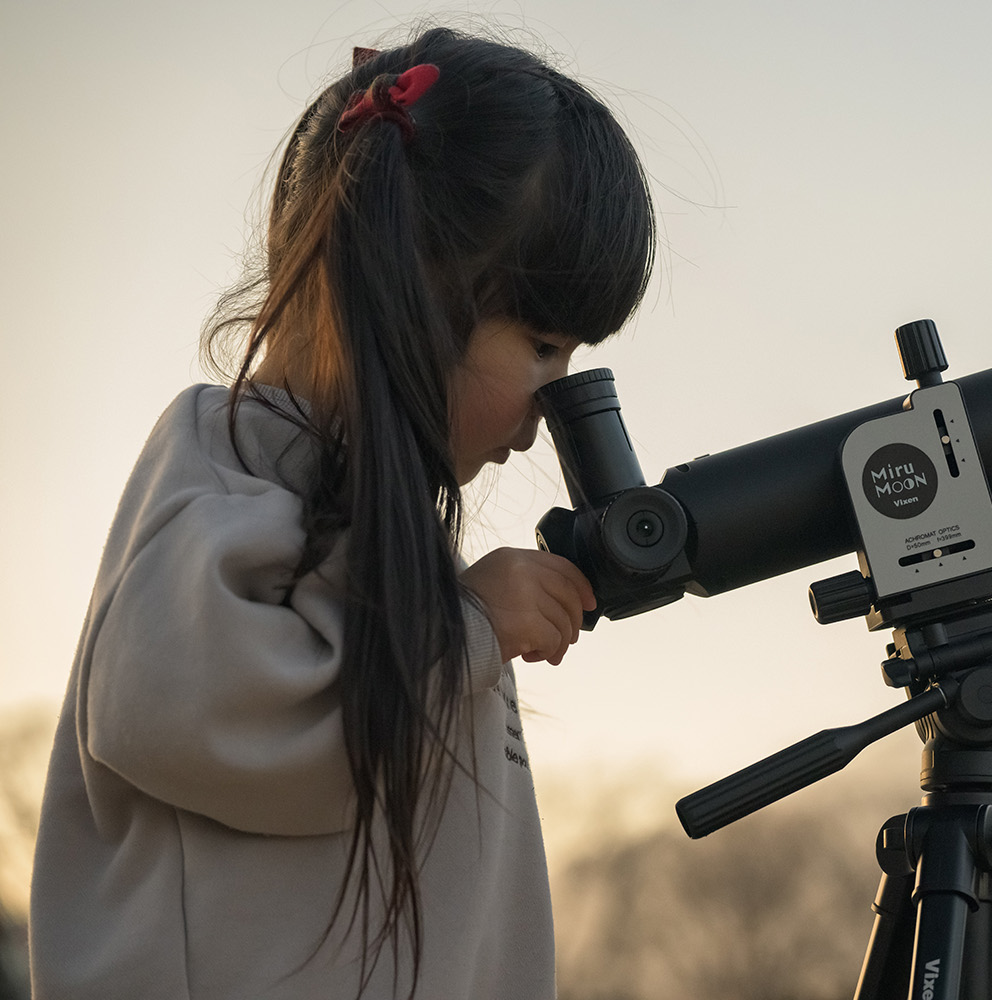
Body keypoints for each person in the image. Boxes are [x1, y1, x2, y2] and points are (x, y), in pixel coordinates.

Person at [29, 26, 655, 999]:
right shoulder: (223, 477)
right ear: (402, 292)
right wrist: (468, 629)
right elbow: (185, 716)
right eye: (542, 345)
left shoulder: (385, 537)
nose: (554, 401)